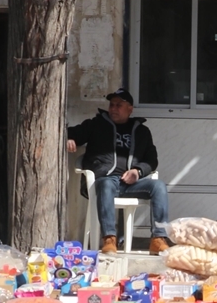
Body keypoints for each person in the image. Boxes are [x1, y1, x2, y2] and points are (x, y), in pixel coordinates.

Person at [67, 88, 171, 255]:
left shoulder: (142, 131)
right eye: (112, 105)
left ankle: (158, 239)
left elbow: (152, 160)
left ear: (130, 109)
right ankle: (109, 239)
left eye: (119, 105)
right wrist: (69, 138)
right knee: (107, 183)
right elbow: (71, 132)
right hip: (105, 181)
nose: (114, 108)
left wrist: (138, 171)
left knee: (159, 186)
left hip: (132, 183)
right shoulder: (96, 124)